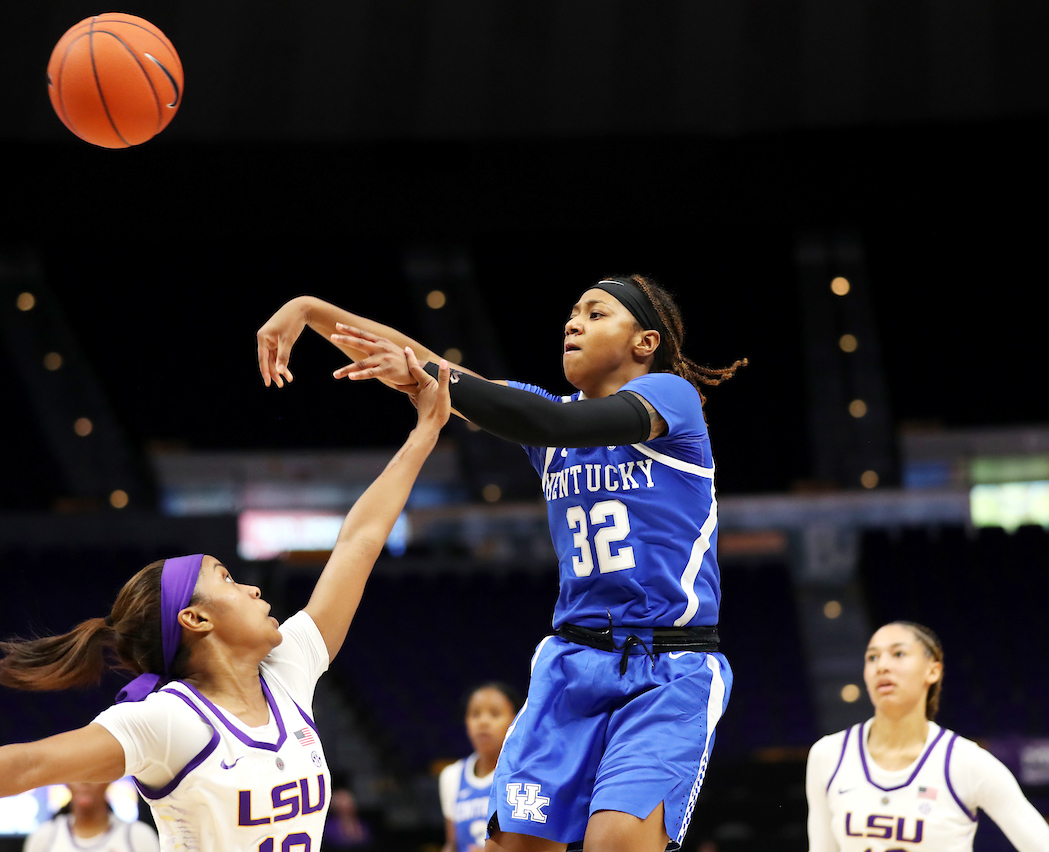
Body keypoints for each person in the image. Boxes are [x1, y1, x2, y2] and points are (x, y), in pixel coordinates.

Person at [256, 275, 746, 852]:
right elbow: (443, 372)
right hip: (572, 661)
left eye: (595, 313)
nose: (573, 323)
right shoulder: (545, 418)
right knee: (513, 845)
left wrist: (436, 376)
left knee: (615, 842)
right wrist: (312, 310)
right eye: (572, 312)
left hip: (666, 666)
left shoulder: (671, 398)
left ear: (645, 341)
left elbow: (537, 418)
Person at [0, 352, 452, 852]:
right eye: (227, 578)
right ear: (196, 618)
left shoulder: (288, 669)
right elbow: (28, 765)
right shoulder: (169, 721)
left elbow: (358, 541)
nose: (252, 588)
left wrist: (424, 432)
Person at [805, 621, 1049, 852]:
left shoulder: (967, 762)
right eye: (872, 658)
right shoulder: (828, 754)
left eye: (898, 654)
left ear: (933, 671)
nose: (882, 666)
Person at [439, 683, 522, 852]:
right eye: (475, 714)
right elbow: (452, 843)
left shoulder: (523, 774)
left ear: (515, 720)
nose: (483, 722)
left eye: (495, 713)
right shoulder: (451, 775)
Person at [23, 782, 158, 852]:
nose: (84, 782)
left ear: (108, 779)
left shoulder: (139, 837)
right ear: (65, 781)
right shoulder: (44, 837)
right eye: (77, 773)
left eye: (92, 774)